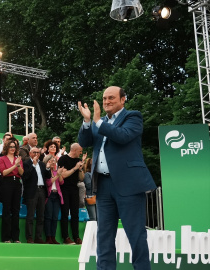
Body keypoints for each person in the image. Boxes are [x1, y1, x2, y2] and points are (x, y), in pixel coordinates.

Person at [78, 86, 156, 270]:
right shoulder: (99, 122)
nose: (107, 102)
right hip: (103, 185)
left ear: (123, 99)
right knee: (104, 235)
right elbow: (84, 142)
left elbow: (123, 136)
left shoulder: (133, 117)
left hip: (129, 184)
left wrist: (97, 122)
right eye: (104, 98)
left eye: (111, 98)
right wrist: (88, 120)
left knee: (135, 235)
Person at [57, 143, 86, 245]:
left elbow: (81, 178)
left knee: (75, 214)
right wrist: (75, 168)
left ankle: (76, 237)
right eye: (80, 151)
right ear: (74, 150)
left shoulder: (78, 161)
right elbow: (63, 175)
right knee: (65, 213)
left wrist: (80, 169)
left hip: (75, 188)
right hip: (64, 188)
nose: (81, 153)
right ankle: (66, 237)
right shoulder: (63, 159)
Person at [22, 147, 51, 244]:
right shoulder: (26, 163)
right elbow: (25, 177)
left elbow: (47, 176)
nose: (36, 154)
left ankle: (38, 237)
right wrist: (33, 166)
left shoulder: (42, 164)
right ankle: (29, 237)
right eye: (34, 152)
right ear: (30, 153)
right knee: (30, 216)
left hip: (42, 190)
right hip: (32, 191)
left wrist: (47, 168)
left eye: (38, 153)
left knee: (41, 216)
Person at [0, 139, 23, 243]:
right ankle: (6, 237)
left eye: (14, 147)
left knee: (16, 211)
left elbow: (21, 173)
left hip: (17, 183)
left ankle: (16, 237)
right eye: (11, 147)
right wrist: (14, 165)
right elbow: (4, 172)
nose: (12, 149)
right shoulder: (2, 159)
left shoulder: (18, 159)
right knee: (6, 209)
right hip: (6, 183)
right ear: (7, 148)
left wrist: (18, 165)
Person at [43, 155, 65, 244]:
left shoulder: (56, 172)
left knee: (55, 217)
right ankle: (48, 237)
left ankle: (53, 237)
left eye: (54, 161)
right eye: (51, 161)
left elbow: (61, 182)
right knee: (48, 216)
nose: (53, 162)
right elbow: (48, 183)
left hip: (57, 195)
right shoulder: (45, 171)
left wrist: (59, 174)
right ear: (47, 161)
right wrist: (57, 175)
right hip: (49, 195)